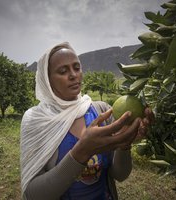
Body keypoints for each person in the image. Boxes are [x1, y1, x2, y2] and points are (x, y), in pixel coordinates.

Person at [20, 42, 154, 200]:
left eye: (77, 68)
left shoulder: (101, 111)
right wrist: (81, 152)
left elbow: (120, 175)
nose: (73, 75)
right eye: (63, 71)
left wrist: (124, 144)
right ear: (47, 81)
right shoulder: (36, 120)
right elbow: (32, 195)